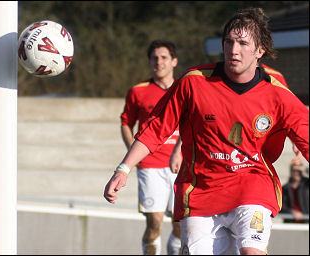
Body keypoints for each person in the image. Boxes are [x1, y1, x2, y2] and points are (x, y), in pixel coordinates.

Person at [104, 7, 309, 255]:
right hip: (201, 192)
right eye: (229, 42)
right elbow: (156, 128)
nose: (234, 50)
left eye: (243, 43)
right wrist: (123, 169)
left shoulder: (277, 93)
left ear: (260, 50)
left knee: (252, 252)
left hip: (253, 186)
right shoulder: (194, 82)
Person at [120, 39, 181, 255]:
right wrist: (134, 154)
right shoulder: (138, 91)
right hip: (150, 165)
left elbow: (189, 122)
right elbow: (126, 122)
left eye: (164, 57)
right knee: (155, 222)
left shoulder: (184, 89)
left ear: (174, 61)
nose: (159, 62)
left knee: (179, 224)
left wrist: (179, 150)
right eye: (154, 58)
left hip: (179, 166)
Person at [280, 157, 309, 223]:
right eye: (294, 170)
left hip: (306, 222)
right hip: (291, 223)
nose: (296, 173)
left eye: (298, 171)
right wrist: (292, 212)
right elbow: (281, 207)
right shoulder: (285, 188)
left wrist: (305, 169)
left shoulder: (306, 185)